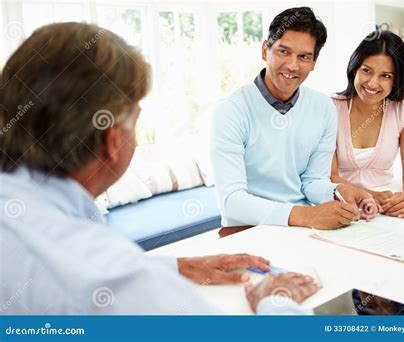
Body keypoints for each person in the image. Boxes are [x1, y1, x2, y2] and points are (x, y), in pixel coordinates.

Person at [0, 22, 320, 315]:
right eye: (136, 119)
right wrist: (275, 300)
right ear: (112, 139)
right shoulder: (115, 276)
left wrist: (173, 267)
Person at [211, 7, 373, 232]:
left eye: (304, 56)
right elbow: (232, 203)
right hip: (246, 230)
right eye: (283, 52)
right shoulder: (231, 110)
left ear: (314, 62)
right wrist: (307, 215)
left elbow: (312, 181)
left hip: (301, 229)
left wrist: (338, 191)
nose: (292, 65)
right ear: (265, 50)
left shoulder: (323, 108)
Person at [331, 30, 404, 218]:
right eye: (367, 71)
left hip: (387, 204)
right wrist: (370, 196)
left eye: (386, 76)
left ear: (396, 80)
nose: (372, 83)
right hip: (342, 202)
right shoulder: (331, 108)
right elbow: (329, 176)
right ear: (354, 69)